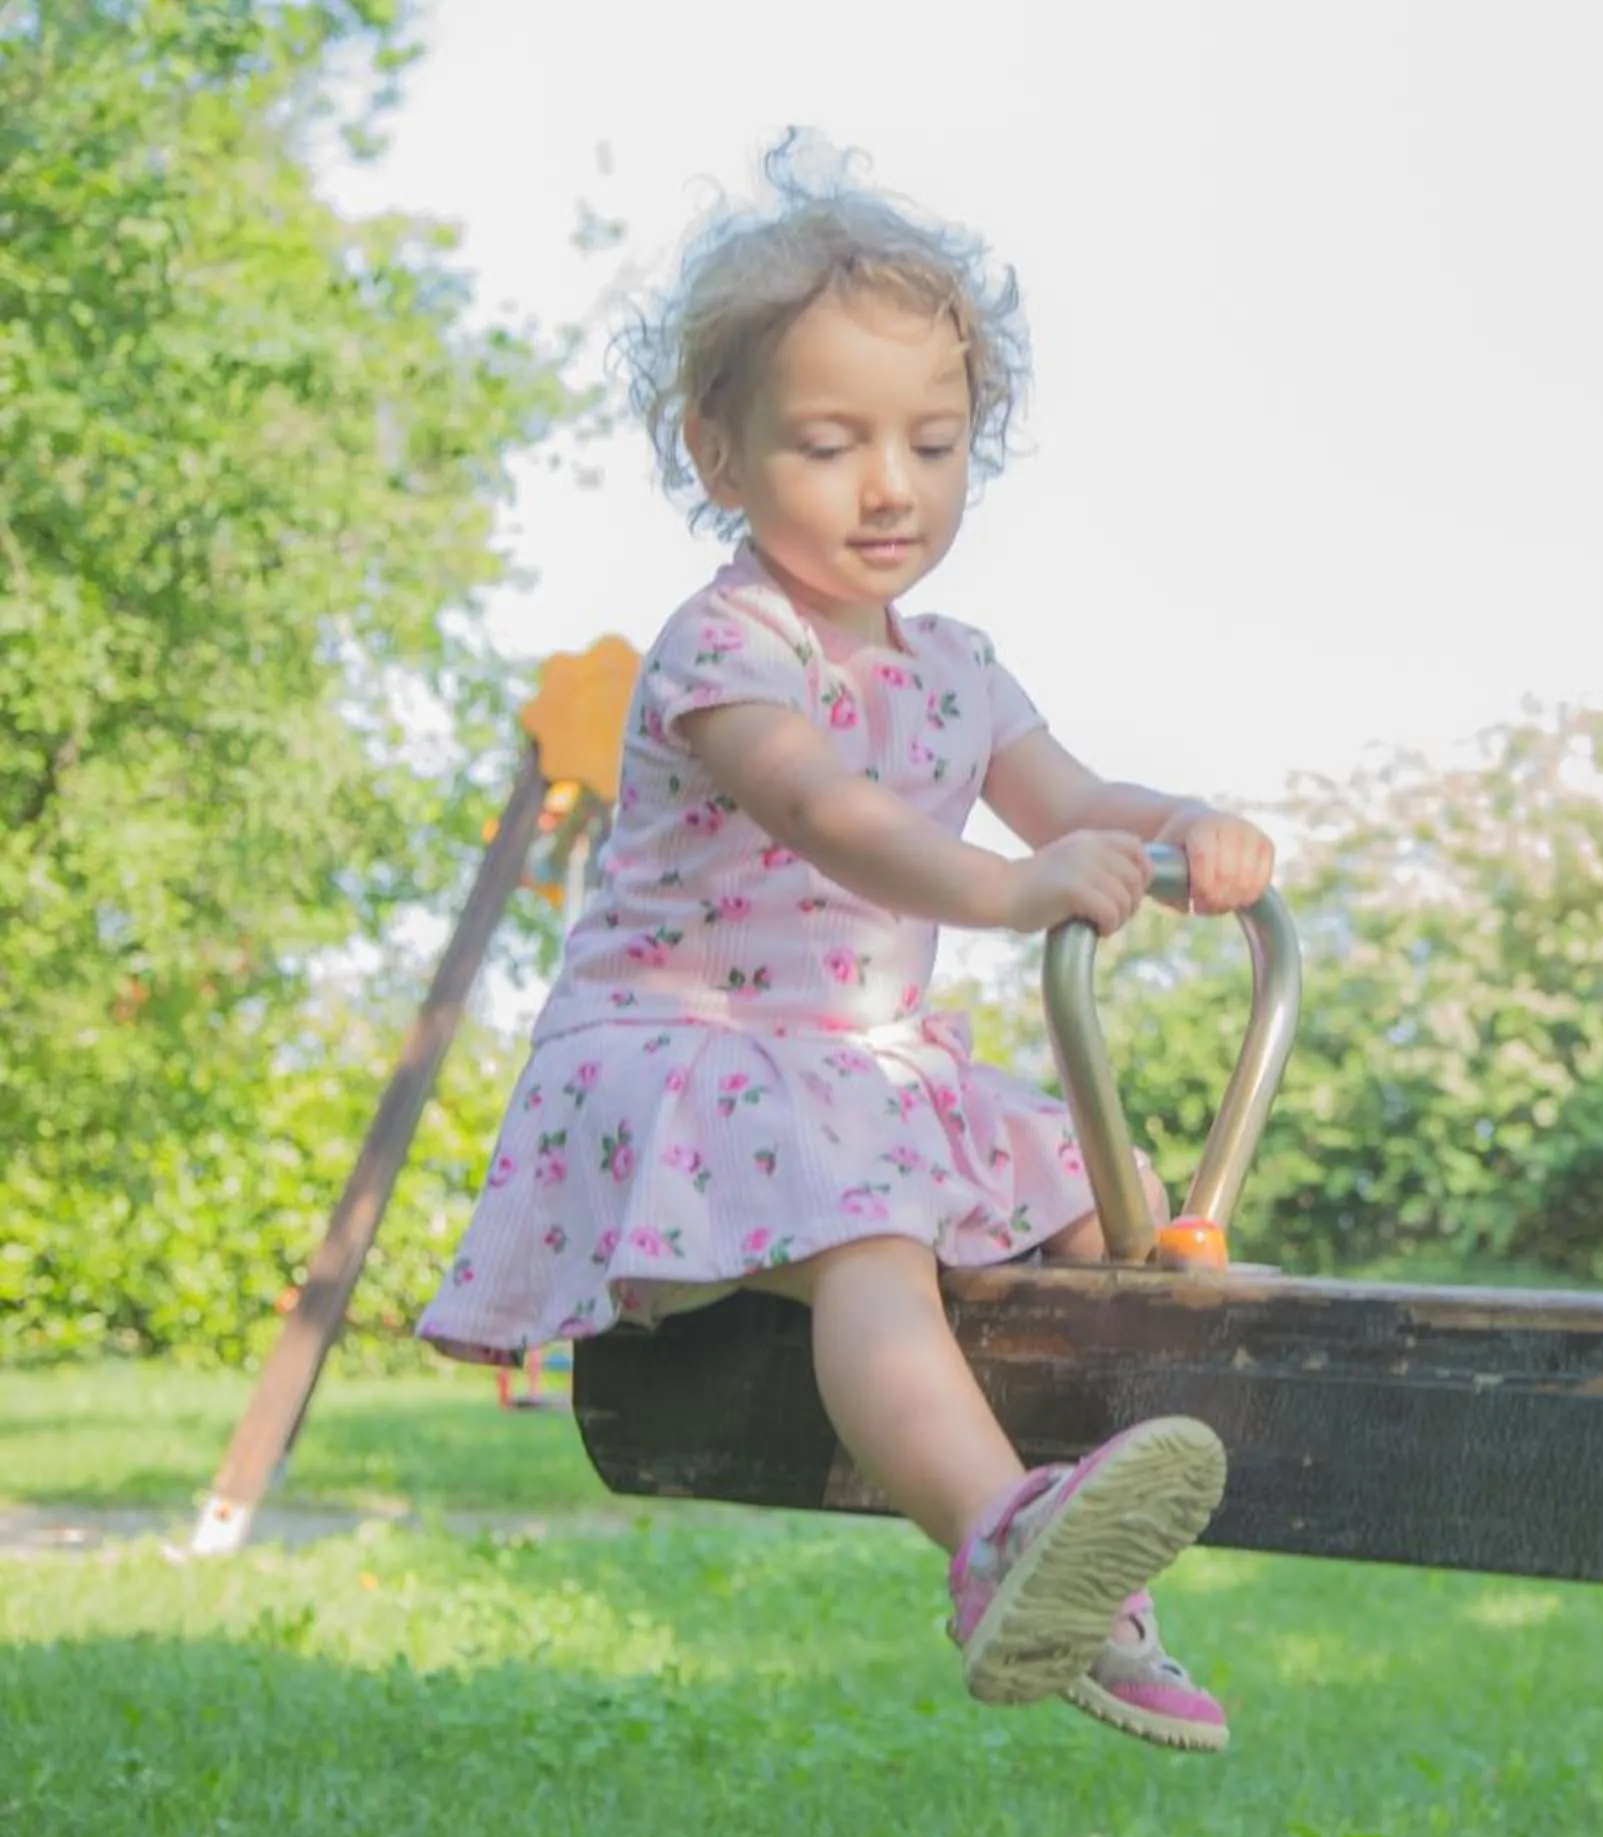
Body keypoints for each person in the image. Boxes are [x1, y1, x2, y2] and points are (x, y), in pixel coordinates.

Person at [416, 145, 1263, 1755]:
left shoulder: (958, 662)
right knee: (868, 1233)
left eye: (934, 444)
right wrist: (1013, 892)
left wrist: (1190, 830)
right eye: (832, 442)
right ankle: (1000, 1539)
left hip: (860, 1063)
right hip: (680, 1055)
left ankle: (1107, 1567)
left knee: (1109, 1201)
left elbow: (1076, 795)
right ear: (717, 453)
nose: (892, 485)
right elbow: (825, 812)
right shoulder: (728, 646)